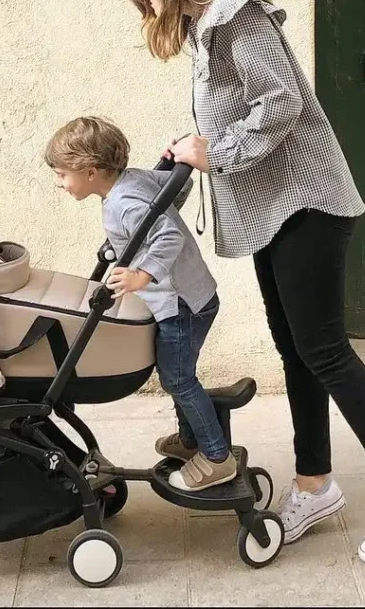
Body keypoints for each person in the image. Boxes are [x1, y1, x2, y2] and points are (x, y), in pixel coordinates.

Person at [119, 0, 365, 564]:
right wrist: (192, 148)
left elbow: (281, 100)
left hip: (307, 205)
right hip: (276, 211)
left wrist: (220, 150)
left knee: (324, 351)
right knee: (298, 354)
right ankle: (315, 485)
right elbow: (237, 114)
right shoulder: (203, 31)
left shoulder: (235, 16)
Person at [44, 115, 237, 491]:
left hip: (181, 304)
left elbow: (167, 236)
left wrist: (141, 275)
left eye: (63, 174)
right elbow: (173, 197)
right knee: (176, 374)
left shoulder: (124, 201)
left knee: (178, 378)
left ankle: (217, 457)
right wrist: (169, 167)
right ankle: (191, 440)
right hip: (193, 295)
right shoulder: (133, 179)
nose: (59, 183)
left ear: (91, 171)